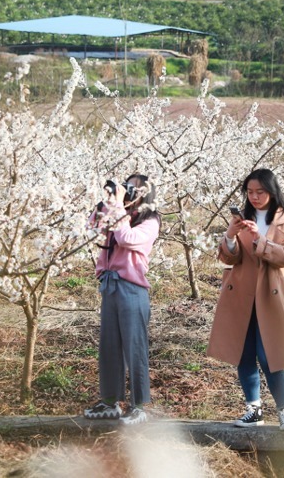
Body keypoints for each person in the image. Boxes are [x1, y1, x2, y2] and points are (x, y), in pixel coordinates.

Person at [207, 168, 284, 431]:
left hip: (271, 292)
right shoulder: (243, 219)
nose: (254, 197)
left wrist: (259, 239)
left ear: (272, 191)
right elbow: (230, 257)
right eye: (250, 192)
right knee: (244, 352)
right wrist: (229, 235)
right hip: (241, 291)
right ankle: (253, 409)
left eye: (260, 191)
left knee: (269, 354)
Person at [83, 174, 161, 426]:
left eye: (135, 188)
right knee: (109, 347)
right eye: (128, 186)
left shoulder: (150, 220)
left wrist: (118, 206)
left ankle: (138, 406)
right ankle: (110, 402)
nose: (129, 191)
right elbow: (91, 230)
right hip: (109, 286)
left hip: (132, 288)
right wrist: (106, 202)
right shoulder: (118, 212)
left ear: (145, 193)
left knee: (134, 347)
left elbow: (127, 238)